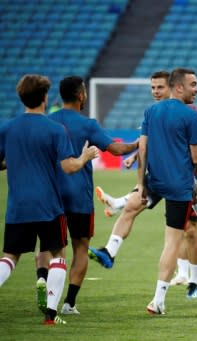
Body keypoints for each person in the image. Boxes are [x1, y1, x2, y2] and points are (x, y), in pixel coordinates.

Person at [89, 71, 197, 299]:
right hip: (163, 175)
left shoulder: (190, 113)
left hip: (192, 177)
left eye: (159, 88)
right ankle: (109, 251)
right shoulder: (153, 113)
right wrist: (135, 160)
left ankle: (194, 281)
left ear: (172, 88)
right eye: (152, 88)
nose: (155, 92)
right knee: (133, 206)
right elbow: (146, 145)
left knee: (188, 231)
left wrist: (190, 154)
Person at [32, 76, 138, 316]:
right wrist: (140, 142)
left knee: (49, 245)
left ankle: (42, 277)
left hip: (51, 194)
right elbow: (116, 150)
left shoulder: (47, 121)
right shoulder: (87, 124)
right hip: (79, 195)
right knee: (81, 248)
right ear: (81, 95)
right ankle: (69, 303)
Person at [0, 74, 98, 325]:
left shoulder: (7, 128)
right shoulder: (55, 129)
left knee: (9, 257)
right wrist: (86, 156)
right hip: (49, 206)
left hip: (17, 206)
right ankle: (51, 315)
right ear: (44, 97)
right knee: (58, 253)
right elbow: (69, 167)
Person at [138, 67, 197, 314]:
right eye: (193, 85)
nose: (196, 89)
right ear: (179, 87)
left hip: (155, 180)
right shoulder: (189, 115)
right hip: (179, 187)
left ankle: (119, 213)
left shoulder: (151, 111)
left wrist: (141, 184)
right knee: (172, 243)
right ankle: (158, 299)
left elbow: (142, 150)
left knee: (136, 213)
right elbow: (196, 158)